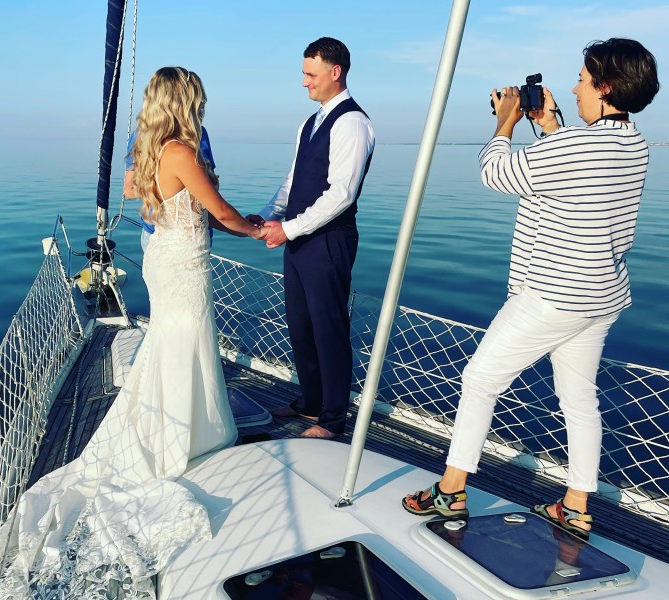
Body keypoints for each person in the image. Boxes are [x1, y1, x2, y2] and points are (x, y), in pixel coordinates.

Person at [0, 66, 264, 598]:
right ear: (186, 101)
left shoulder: (148, 151)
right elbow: (219, 209)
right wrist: (256, 226)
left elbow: (139, 192)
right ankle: (187, 433)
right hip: (185, 262)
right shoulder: (182, 151)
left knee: (170, 342)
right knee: (185, 341)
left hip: (163, 257)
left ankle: (181, 423)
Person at [402, 38, 659, 541]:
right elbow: (566, 176)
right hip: (601, 296)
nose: (574, 87)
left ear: (605, 86)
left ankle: (452, 490)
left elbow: (497, 173)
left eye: (583, 79)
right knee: (579, 398)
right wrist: (551, 128)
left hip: (554, 294)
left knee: (479, 380)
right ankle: (576, 506)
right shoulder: (634, 145)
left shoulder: (579, 146)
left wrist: (506, 121)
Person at [248, 37, 375, 440]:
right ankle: (311, 402)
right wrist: (268, 216)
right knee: (301, 324)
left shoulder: (353, 123)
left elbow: (341, 194)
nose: (305, 82)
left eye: (310, 74)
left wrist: (287, 229)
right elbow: (294, 180)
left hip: (329, 242)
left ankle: (333, 418)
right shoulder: (310, 123)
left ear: (335, 73)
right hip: (301, 239)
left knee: (328, 327)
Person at [125, 125, 218, 252]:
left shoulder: (200, 133)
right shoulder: (143, 134)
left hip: (199, 234)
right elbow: (129, 189)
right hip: (158, 234)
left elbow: (211, 192)